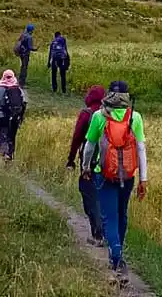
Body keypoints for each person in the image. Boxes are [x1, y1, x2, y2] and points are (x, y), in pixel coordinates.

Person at [81, 80, 148, 281]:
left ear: (109, 95)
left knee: (109, 216)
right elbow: (141, 149)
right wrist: (143, 179)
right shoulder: (134, 117)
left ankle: (116, 257)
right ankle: (118, 254)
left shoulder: (98, 116)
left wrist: (86, 167)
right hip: (127, 176)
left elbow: (89, 146)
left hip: (104, 173)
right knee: (121, 213)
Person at [66, 85, 105, 246]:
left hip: (90, 162)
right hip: (111, 163)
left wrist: (71, 159)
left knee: (90, 195)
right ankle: (110, 235)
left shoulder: (87, 114)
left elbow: (77, 138)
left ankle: (97, 234)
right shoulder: (110, 114)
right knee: (104, 197)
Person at [0, 69, 27, 161]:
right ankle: (10, 155)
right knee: (11, 136)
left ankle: (4, 152)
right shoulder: (18, 89)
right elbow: (24, 102)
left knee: (1, 134)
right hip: (14, 118)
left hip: (1, 117)